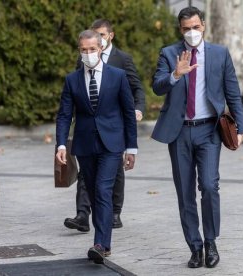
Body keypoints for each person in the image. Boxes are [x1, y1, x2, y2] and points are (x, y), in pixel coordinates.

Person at [151, 7, 243, 269]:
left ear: (203, 25)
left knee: (208, 185)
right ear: (180, 29)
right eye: (185, 29)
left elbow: (233, 92)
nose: (191, 32)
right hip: (179, 131)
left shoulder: (219, 53)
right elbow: (157, 86)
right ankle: (195, 247)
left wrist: (242, 129)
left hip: (209, 130)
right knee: (184, 193)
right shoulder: (169, 53)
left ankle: (211, 242)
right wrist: (175, 74)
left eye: (195, 27)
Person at [56, 30, 137, 264]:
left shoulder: (118, 76)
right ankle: (103, 242)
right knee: (91, 190)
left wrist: (131, 148)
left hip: (112, 144)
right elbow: (64, 115)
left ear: (101, 48)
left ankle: (100, 244)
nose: (88, 54)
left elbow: (128, 114)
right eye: (84, 50)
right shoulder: (72, 80)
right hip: (84, 144)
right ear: (79, 50)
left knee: (102, 189)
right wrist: (61, 143)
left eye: (92, 49)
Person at [64, 19, 145, 232]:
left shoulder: (122, 60)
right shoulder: (82, 60)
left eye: (101, 35)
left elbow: (136, 88)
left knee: (112, 175)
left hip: (113, 127)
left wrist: (138, 109)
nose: (97, 40)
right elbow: (76, 92)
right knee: (86, 175)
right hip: (88, 130)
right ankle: (83, 214)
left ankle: (115, 211)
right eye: (94, 35)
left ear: (109, 36)